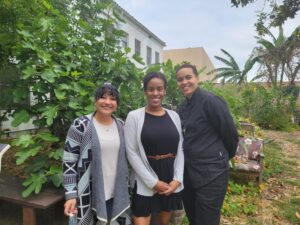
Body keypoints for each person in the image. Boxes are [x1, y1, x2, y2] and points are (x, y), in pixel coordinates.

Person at [176, 64, 239, 225]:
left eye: (188, 77)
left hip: (212, 174)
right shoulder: (183, 107)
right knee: (194, 218)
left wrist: (221, 158)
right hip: (189, 174)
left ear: (197, 78)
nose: (184, 82)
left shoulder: (210, 101)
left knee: (207, 220)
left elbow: (230, 135)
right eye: (180, 79)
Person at [63, 83, 130, 225]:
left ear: (117, 103)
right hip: (88, 191)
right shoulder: (81, 125)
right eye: (103, 97)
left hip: (116, 192)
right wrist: (71, 194)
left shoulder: (121, 126)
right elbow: (69, 161)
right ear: (95, 100)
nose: (107, 102)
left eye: (112, 99)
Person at [124, 72, 184, 225]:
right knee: (141, 217)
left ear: (165, 91)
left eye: (159, 89)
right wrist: (152, 182)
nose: (155, 93)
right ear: (145, 91)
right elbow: (131, 152)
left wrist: (178, 179)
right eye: (151, 89)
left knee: (163, 222)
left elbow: (181, 149)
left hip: (170, 179)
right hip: (145, 177)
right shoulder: (134, 116)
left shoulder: (174, 116)